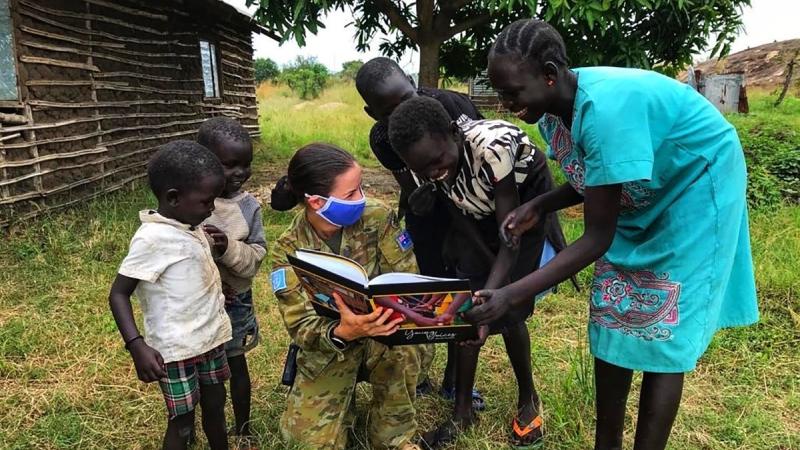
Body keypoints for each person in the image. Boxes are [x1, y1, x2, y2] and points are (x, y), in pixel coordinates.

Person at [468, 19, 759, 450]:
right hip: (643, 188)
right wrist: (540, 204)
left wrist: (511, 293)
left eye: (512, 93)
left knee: (664, 330)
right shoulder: (552, 113)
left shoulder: (605, 111)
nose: (507, 104)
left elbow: (597, 238)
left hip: (695, 183)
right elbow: (599, 175)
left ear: (549, 74)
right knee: (611, 310)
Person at [388, 96, 568, 448]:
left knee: (508, 304)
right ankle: (462, 411)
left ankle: (528, 398)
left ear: (453, 133)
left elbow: (510, 238)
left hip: (523, 208)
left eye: (437, 161)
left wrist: (496, 292)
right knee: (467, 305)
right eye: (423, 168)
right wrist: (478, 289)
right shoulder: (425, 162)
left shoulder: (492, 147)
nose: (433, 172)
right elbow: (459, 214)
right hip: (478, 211)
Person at [268, 143, 430, 450]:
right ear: (317, 202)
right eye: (351, 193)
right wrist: (343, 332)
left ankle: (395, 435)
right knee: (306, 443)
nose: (362, 198)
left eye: (361, 187)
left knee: (403, 351)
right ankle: (342, 408)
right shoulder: (288, 249)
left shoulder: (378, 218)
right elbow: (301, 326)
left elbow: (407, 281)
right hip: (331, 346)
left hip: (386, 336)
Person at [356, 56, 486, 407]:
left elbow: (483, 165)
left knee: (465, 290)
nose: (401, 113)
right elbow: (412, 187)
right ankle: (422, 371)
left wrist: (466, 229)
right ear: (372, 114)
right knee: (434, 294)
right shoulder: (382, 138)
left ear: (414, 84)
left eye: (406, 99)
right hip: (429, 217)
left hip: (472, 210)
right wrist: (420, 204)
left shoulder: (452, 105)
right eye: (388, 112)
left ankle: (455, 380)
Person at [108, 141, 232, 450]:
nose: (212, 209)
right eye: (207, 201)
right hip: (176, 351)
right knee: (182, 422)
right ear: (174, 198)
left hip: (211, 339)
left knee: (216, 404)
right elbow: (119, 294)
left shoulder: (190, 225)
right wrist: (136, 345)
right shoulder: (152, 239)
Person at [197, 117, 267, 445]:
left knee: (236, 365)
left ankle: (243, 429)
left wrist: (228, 248)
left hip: (235, 301)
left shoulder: (248, 208)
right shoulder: (188, 201)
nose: (240, 172)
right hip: (198, 302)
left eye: (246, 164)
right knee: (197, 367)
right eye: (229, 165)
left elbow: (256, 255)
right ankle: (192, 425)